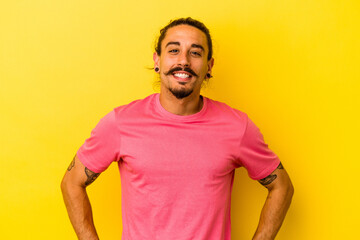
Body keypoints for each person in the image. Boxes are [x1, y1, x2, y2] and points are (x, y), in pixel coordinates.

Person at [61, 17, 294, 240]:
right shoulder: (121, 123)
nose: (183, 61)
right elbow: (72, 182)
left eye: (195, 53)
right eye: (173, 50)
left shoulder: (237, 126)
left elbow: (282, 186)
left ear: (209, 66)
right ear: (157, 61)